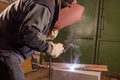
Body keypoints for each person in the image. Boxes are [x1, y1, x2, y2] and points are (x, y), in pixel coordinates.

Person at [0, 0, 77, 80]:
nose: (74, 2)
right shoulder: (44, 5)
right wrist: (51, 48)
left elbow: (24, 28)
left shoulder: (46, 3)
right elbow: (28, 36)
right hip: (6, 50)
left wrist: (45, 35)